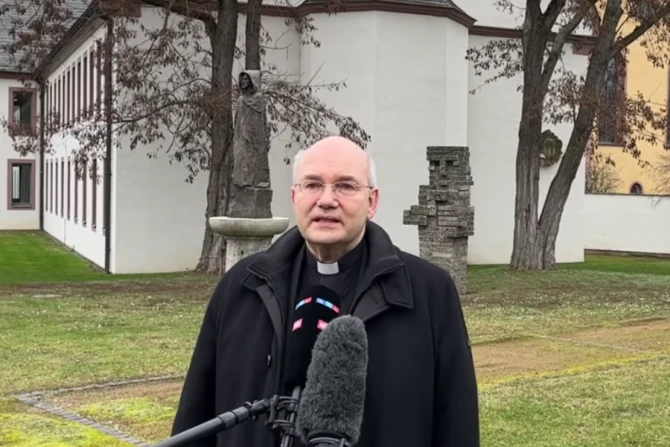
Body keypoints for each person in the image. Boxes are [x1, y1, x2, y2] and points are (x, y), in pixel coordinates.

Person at [170, 136, 480, 446]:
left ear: (372, 202)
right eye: (313, 185)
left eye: (345, 186)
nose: (327, 200)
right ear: (295, 197)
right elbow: (196, 414)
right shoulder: (242, 285)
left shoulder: (427, 292)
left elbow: (456, 421)